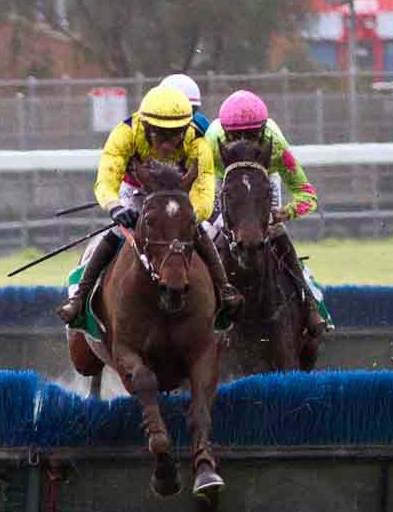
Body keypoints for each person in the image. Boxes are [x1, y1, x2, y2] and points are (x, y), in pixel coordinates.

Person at [55, 84, 243, 324]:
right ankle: (79, 298)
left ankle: (225, 290)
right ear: (145, 126)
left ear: (185, 127)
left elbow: (204, 190)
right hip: (136, 189)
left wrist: (193, 216)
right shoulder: (124, 134)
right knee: (117, 231)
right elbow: (105, 180)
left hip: (177, 193)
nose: (167, 144)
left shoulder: (197, 142)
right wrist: (115, 207)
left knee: (199, 231)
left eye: (175, 135)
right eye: (159, 134)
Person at [205, 89, 327, 335]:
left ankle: (309, 303)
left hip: (263, 178)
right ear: (224, 133)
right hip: (223, 181)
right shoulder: (210, 145)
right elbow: (199, 190)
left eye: (251, 135)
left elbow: (307, 195)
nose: (243, 142)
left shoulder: (276, 147)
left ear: (262, 132)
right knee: (209, 232)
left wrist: (282, 214)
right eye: (236, 136)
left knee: (273, 231)